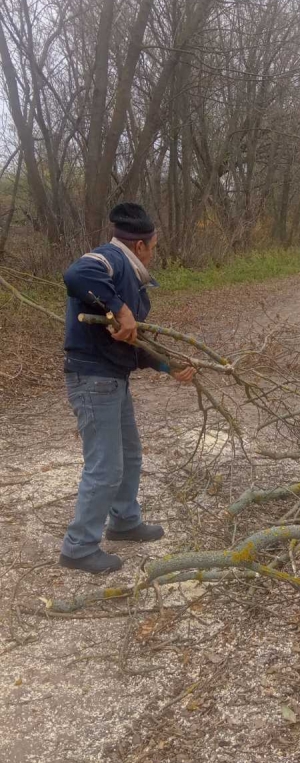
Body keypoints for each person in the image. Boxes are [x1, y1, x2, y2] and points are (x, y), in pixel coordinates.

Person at [60, 202, 195, 575]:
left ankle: (124, 521)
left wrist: (170, 366)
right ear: (141, 246)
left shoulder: (131, 278)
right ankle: (79, 546)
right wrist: (119, 307)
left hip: (113, 378)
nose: (155, 254)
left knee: (130, 456)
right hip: (92, 379)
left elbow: (133, 345)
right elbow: (76, 274)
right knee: (105, 465)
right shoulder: (110, 260)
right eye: (154, 247)